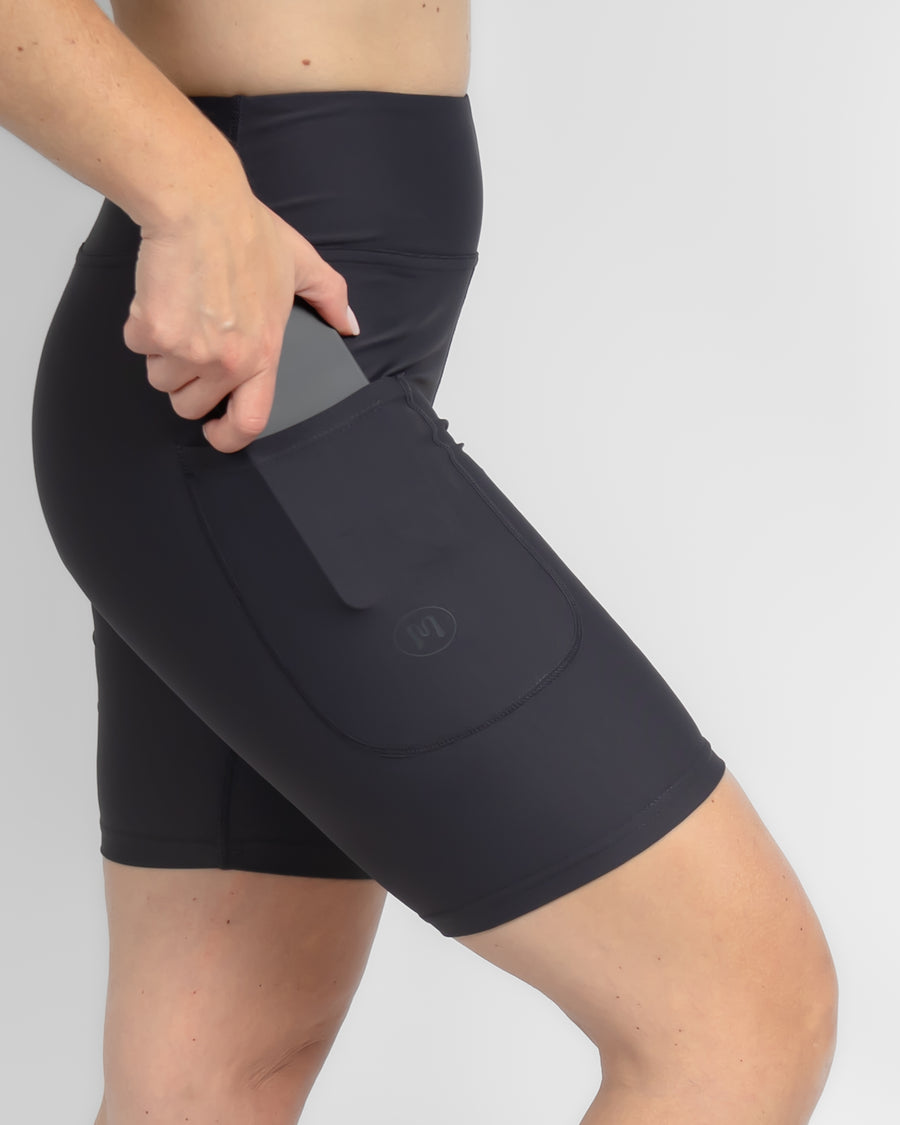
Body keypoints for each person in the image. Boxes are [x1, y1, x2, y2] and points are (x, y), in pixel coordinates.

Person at [3, 2, 838, 1122]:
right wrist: (195, 193)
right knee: (741, 1014)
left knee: (210, 1078)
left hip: (264, 366)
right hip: (250, 368)